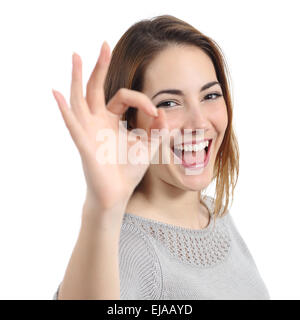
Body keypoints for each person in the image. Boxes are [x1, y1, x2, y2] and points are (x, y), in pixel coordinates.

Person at [52, 14, 270, 300]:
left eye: (210, 96)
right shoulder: (131, 249)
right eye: (169, 102)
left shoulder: (214, 213)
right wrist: (101, 208)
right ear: (130, 122)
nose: (198, 122)